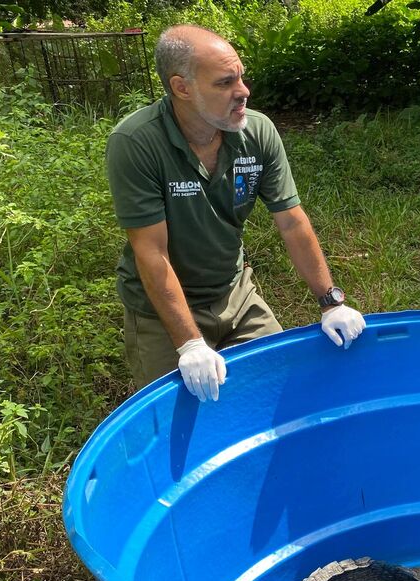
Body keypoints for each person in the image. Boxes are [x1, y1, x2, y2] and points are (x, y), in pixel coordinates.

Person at [107, 24, 366, 403]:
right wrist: (190, 344)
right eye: (225, 83)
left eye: (241, 77)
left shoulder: (257, 132)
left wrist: (331, 302)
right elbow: (151, 252)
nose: (243, 91)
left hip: (235, 293)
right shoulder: (136, 143)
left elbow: (292, 222)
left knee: (277, 391)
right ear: (182, 88)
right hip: (161, 312)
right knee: (183, 414)